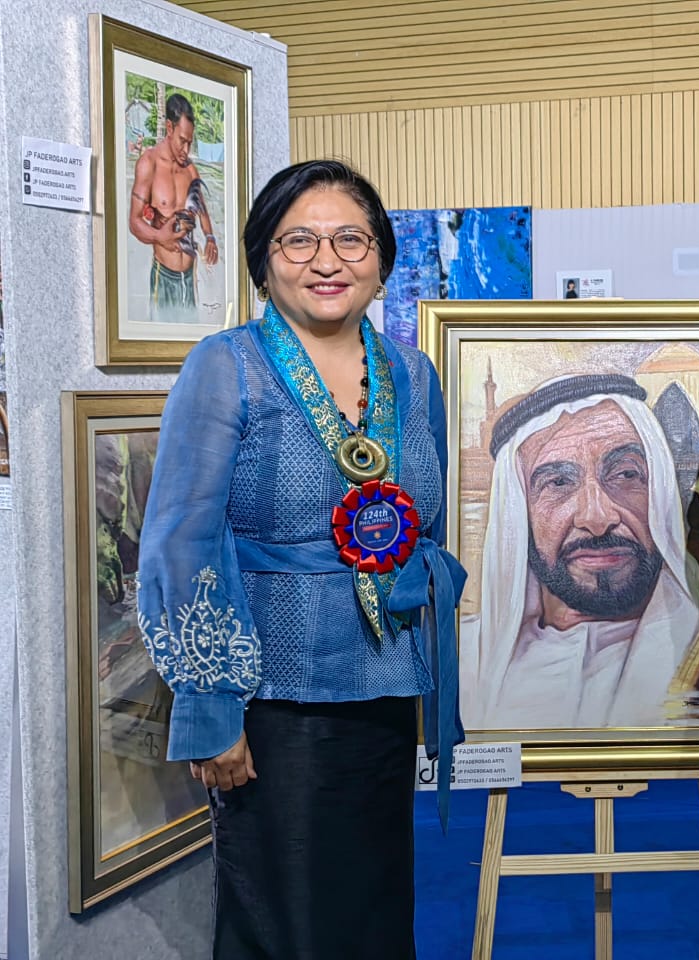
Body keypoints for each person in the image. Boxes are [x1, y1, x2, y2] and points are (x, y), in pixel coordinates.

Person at [136, 159, 465, 959]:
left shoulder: (412, 374)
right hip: (273, 701)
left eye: (350, 238)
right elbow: (182, 542)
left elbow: (428, 525)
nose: (327, 261)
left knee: (374, 913)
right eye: (299, 241)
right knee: (287, 925)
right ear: (261, 260)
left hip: (385, 686)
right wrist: (211, 706)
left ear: (381, 257)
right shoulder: (227, 365)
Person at [461, 374, 699, 729]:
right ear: (517, 515)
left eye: (624, 475)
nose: (597, 518)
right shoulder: (463, 662)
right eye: (558, 483)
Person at [129, 93, 219, 324]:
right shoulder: (149, 164)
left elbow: (202, 210)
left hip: (188, 277)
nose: (186, 149)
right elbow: (135, 221)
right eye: (182, 140)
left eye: (190, 142)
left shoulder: (190, 170)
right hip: (164, 275)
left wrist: (210, 237)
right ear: (169, 127)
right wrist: (159, 236)